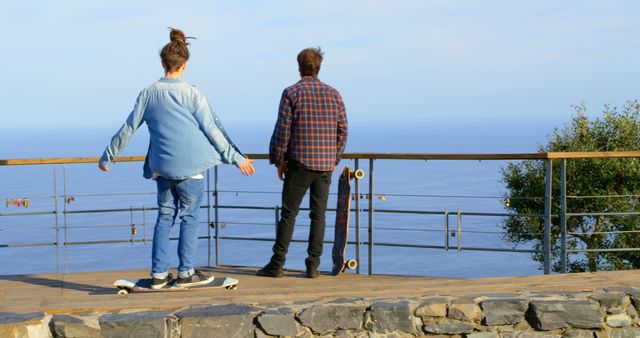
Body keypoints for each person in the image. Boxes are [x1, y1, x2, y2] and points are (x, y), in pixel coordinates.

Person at [98, 28, 255, 289]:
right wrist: (237, 158)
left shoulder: (148, 93)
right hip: (191, 169)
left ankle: (159, 275)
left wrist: (108, 156)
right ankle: (186, 273)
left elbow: (129, 127)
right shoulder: (193, 93)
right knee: (190, 218)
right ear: (185, 65)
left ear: (162, 64)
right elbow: (212, 129)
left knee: (164, 217)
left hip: (162, 169)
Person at [257, 47, 348, 278]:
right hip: (325, 165)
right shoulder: (334, 94)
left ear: (299, 67)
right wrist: (334, 158)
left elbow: (283, 130)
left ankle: (277, 264)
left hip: (299, 163)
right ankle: (313, 265)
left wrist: (279, 160)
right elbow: (342, 130)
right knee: (318, 215)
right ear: (319, 67)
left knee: (289, 214)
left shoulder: (291, 93)